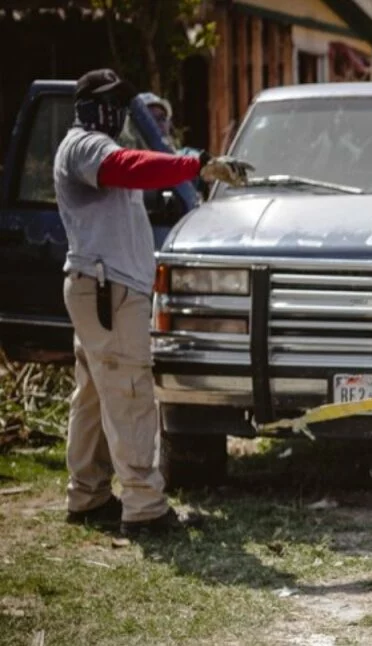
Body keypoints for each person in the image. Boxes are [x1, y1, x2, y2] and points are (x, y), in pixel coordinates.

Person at [56, 69, 252, 536]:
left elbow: (140, 165)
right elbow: (129, 166)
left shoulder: (94, 147)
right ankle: (144, 507)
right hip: (107, 290)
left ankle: (87, 495)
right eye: (113, 103)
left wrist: (189, 163)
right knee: (129, 395)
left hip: (100, 288)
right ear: (90, 106)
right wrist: (195, 165)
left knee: (92, 397)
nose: (120, 112)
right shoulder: (86, 145)